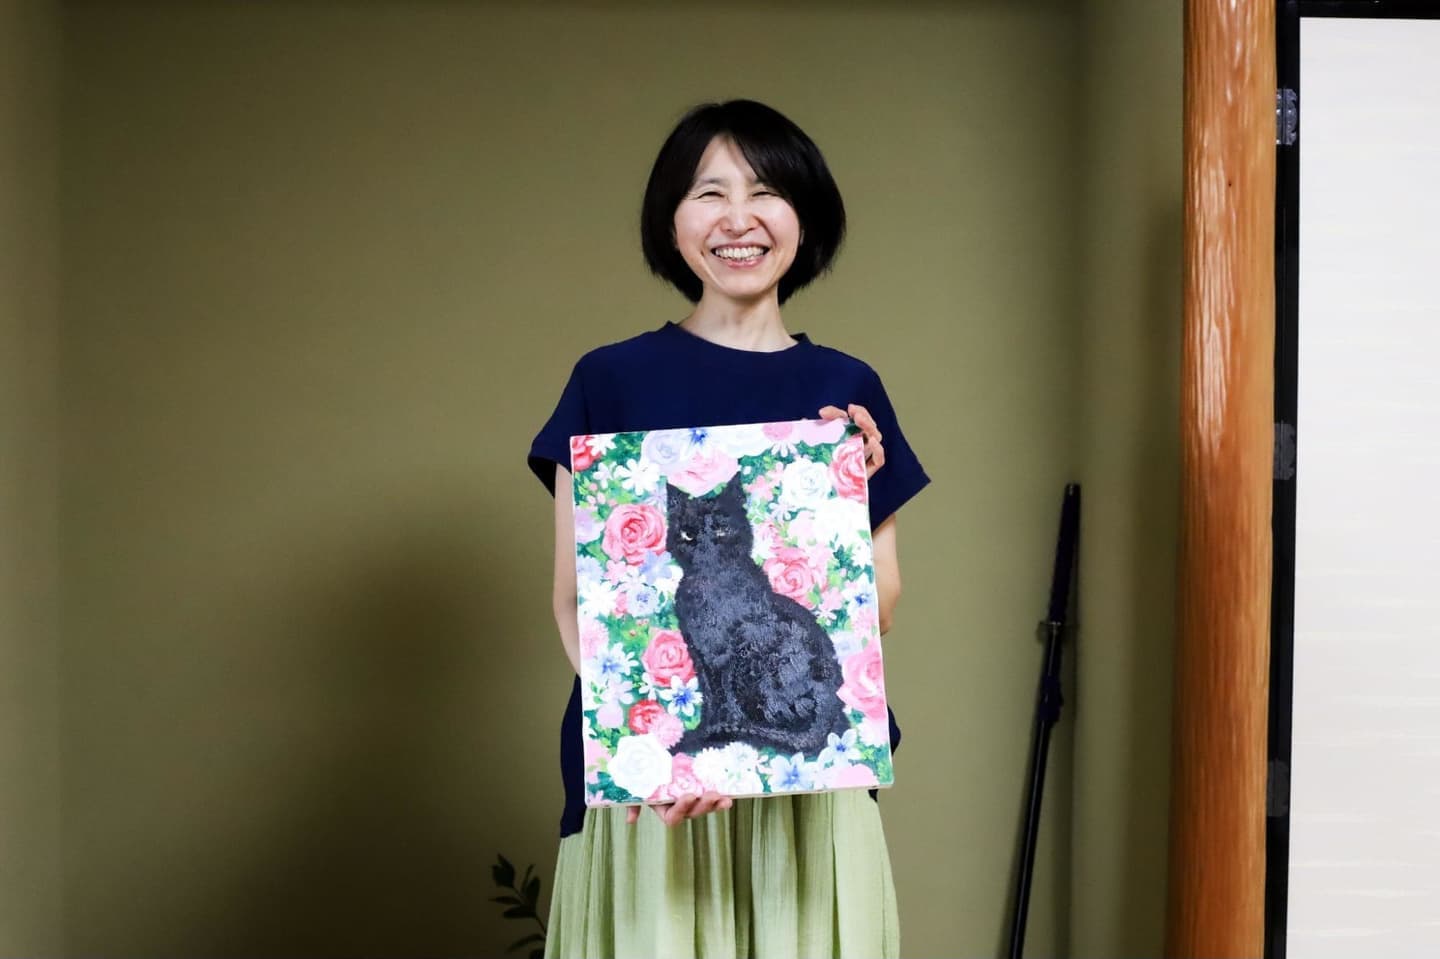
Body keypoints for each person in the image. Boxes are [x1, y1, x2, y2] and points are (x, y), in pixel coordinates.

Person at [527, 99, 929, 959]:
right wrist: (667, 753)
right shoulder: (608, 381)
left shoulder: (846, 393)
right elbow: (574, 600)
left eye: (766, 192)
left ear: (804, 219)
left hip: (809, 782)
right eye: (710, 193)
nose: (738, 219)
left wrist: (846, 488)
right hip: (652, 786)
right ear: (671, 221)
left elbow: (882, 602)